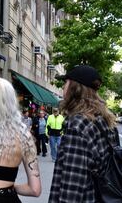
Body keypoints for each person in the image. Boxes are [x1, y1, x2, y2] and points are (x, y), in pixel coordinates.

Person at [49, 65, 120, 202]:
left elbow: (72, 187)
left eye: (66, 83)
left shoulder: (78, 125)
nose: (63, 87)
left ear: (74, 88)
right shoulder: (105, 120)